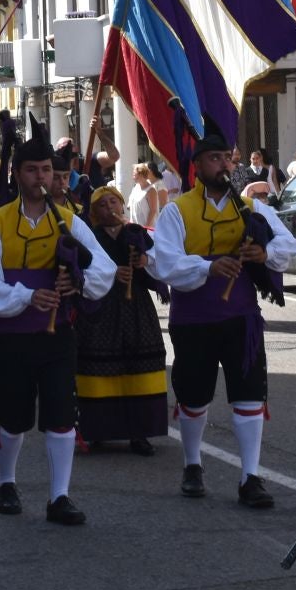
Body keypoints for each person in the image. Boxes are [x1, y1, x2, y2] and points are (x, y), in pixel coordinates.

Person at [0, 115, 115, 525]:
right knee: (14, 416)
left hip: (58, 335)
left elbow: (103, 267)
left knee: (60, 413)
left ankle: (59, 497)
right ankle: (6, 482)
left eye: (47, 170)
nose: (41, 177)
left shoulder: (69, 221)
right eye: (32, 170)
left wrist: (78, 282)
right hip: (11, 335)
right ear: (17, 175)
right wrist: (27, 296)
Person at [149, 127, 296, 508]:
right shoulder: (177, 211)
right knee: (194, 396)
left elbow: (288, 243)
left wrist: (264, 255)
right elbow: (164, 262)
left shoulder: (250, 209)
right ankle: (193, 464)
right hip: (194, 319)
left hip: (241, 319)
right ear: (197, 165)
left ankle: (250, 476)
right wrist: (208, 268)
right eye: (215, 159)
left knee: (249, 396)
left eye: (227, 159)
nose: (223, 165)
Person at [77, 185, 169, 455]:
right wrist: (109, 273)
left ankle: (140, 434)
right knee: (99, 366)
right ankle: (97, 431)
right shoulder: (91, 237)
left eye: (114, 203)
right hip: (102, 308)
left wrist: (142, 261)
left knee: (138, 365)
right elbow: (82, 268)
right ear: (95, 212)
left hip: (136, 306)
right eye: (103, 205)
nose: (110, 209)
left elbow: (157, 260)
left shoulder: (136, 233)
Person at [129, 163, 167, 230]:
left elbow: (153, 210)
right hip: (135, 227)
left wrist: (146, 228)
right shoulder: (135, 187)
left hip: (147, 229)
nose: (133, 176)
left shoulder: (151, 190)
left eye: (134, 174)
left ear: (141, 174)